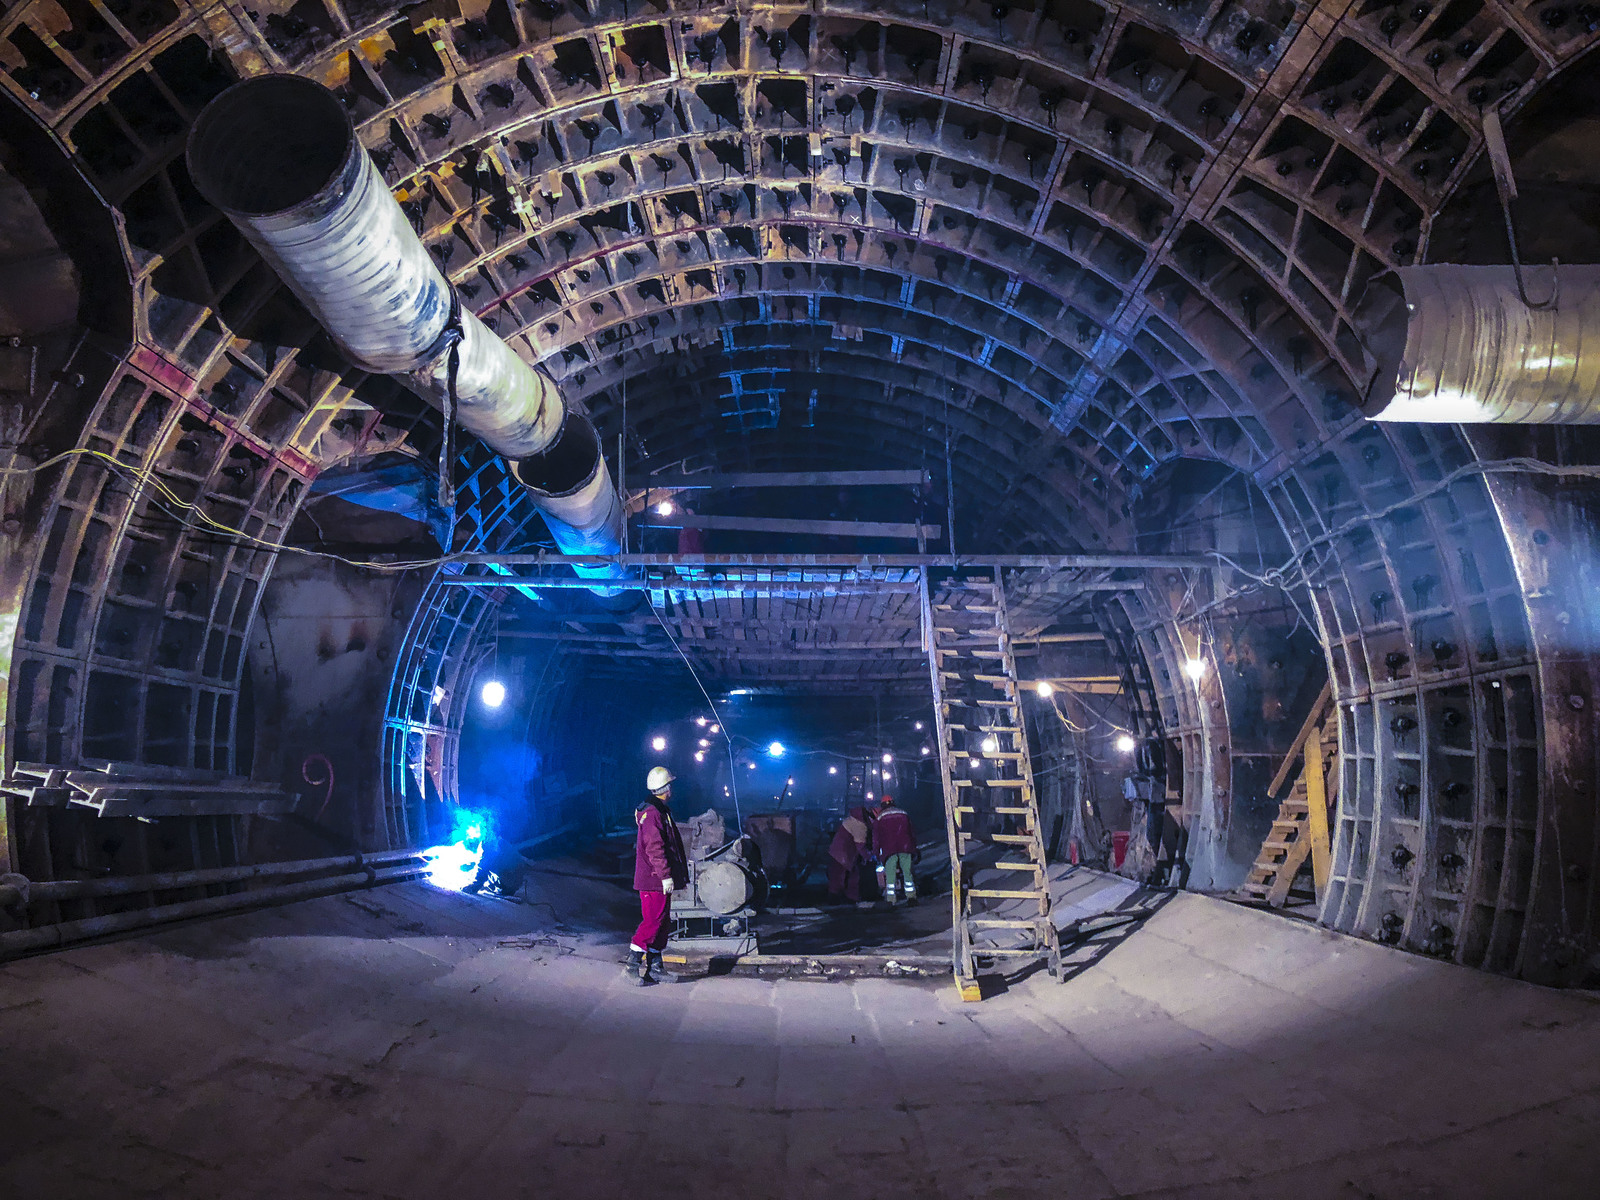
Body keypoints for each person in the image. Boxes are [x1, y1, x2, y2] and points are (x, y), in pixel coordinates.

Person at [629, 766, 687, 986]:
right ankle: (632, 964)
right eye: (670, 785)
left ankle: (655, 967)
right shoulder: (653, 814)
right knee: (652, 922)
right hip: (653, 880)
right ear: (665, 788)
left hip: (657, 879)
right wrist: (665, 876)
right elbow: (655, 847)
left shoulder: (658, 810)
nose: (671, 789)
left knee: (662, 922)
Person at [874, 795, 919, 905]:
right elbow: (911, 832)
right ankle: (911, 898)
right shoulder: (903, 814)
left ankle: (891, 900)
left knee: (890, 875)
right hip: (905, 847)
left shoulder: (880, 818)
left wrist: (876, 853)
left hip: (889, 849)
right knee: (907, 873)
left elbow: (876, 837)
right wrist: (915, 848)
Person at [826, 805, 872, 903]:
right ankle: (844, 899)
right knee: (842, 877)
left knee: (841, 876)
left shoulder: (853, 820)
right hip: (842, 855)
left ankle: (841, 899)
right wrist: (869, 857)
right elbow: (860, 846)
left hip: (839, 853)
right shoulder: (860, 825)